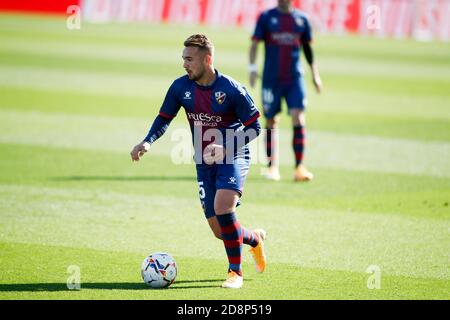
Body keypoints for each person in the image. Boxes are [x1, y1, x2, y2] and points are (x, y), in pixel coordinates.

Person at [130, 34, 266, 289]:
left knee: (224, 207)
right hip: (204, 162)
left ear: (207, 59)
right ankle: (254, 239)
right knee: (219, 230)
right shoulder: (180, 88)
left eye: (189, 59)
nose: (184, 64)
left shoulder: (232, 89)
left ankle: (235, 273)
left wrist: (225, 145)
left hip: (233, 154)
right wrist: (147, 141)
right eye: (183, 59)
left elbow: (255, 127)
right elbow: (164, 118)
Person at [249, 0, 322, 181]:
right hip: (271, 79)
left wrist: (315, 74)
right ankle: (272, 167)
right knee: (271, 120)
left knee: (298, 115)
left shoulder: (301, 20)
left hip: (294, 79)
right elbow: (255, 44)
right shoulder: (266, 17)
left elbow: (307, 48)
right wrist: (252, 68)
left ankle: (299, 168)